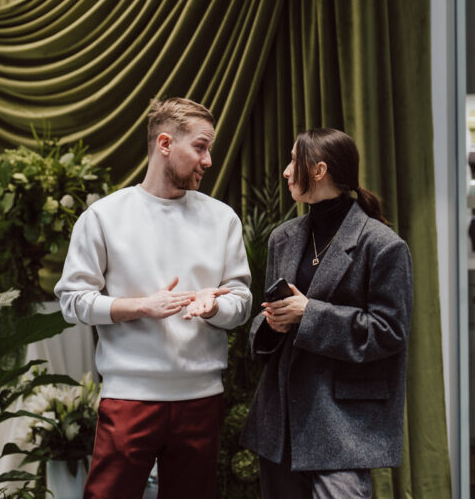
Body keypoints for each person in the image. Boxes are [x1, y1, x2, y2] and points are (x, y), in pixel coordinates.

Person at [55, 97, 252, 498]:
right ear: (165, 144)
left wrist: (215, 307)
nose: (208, 159)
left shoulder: (222, 218)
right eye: (200, 147)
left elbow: (242, 301)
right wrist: (140, 306)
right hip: (130, 397)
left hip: (201, 398)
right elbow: (72, 300)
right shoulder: (104, 217)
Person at [241, 129, 412, 499]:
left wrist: (310, 314)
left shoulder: (383, 246)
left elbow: (390, 331)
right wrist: (272, 323)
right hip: (280, 426)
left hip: (342, 428)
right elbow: (269, 316)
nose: (286, 172)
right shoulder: (282, 238)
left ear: (318, 170)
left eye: (293, 161)